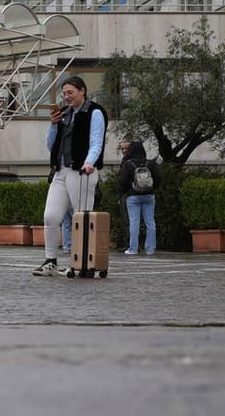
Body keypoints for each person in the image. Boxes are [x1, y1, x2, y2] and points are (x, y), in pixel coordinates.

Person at [34, 75, 107, 276]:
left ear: (82, 91)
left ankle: (81, 261)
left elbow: (96, 142)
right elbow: (51, 145)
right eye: (64, 93)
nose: (66, 97)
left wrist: (89, 162)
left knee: (81, 218)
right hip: (60, 171)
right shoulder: (63, 114)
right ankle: (50, 260)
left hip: (81, 172)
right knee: (50, 216)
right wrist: (53, 125)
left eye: (70, 92)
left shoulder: (95, 112)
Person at [119, 138, 155, 256]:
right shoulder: (150, 163)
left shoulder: (128, 164)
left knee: (134, 222)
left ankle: (133, 249)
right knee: (150, 222)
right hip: (149, 195)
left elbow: (122, 181)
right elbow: (158, 179)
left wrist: (128, 190)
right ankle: (150, 249)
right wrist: (152, 189)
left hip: (133, 196)